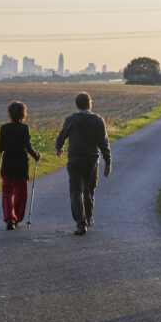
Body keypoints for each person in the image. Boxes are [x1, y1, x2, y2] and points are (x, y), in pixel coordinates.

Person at [55, 91, 112, 235]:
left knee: (75, 191)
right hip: (92, 160)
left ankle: (81, 223)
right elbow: (104, 143)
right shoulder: (98, 120)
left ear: (77, 105)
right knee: (89, 190)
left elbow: (61, 136)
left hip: (74, 159)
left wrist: (59, 147)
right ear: (89, 104)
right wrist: (108, 161)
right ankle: (88, 217)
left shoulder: (71, 119)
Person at [0, 101, 40, 230]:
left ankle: (10, 217)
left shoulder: (4, 128)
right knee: (21, 194)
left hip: (7, 163)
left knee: (7, 192)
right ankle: (17, 218)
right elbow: (28, 147)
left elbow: (1, 148)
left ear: (10, 114)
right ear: (23, 113)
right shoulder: (24, 128)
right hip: (21, 164)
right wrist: (36, 156)